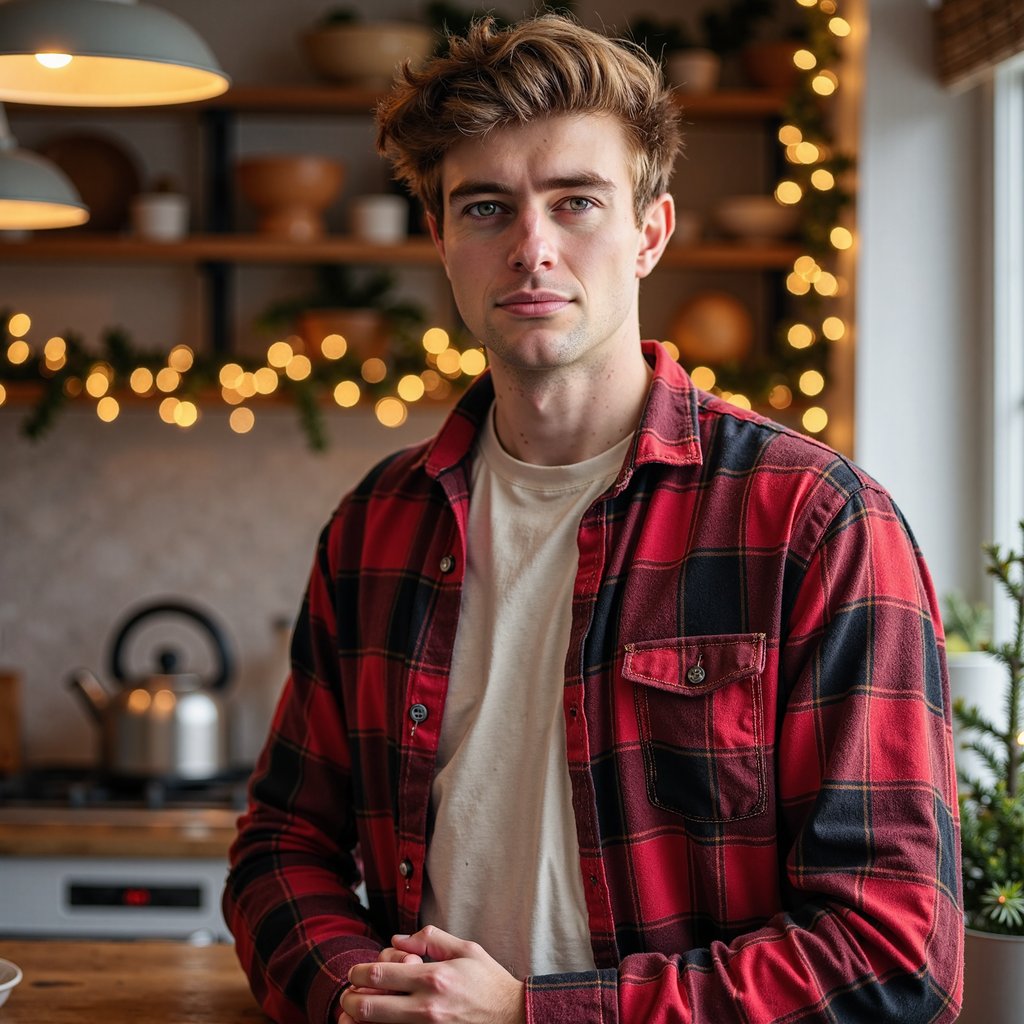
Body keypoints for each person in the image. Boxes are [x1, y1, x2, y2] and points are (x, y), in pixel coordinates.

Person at [223, 14, 964, 1024]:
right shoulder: (378, 525)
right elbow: (281, 844)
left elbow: (890, 952)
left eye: (575, 202)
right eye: (485, 208)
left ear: (649, 231)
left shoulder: (814, 523)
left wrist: (534, 1014)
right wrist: (361, 995)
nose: (531, 248)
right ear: (439, 238)